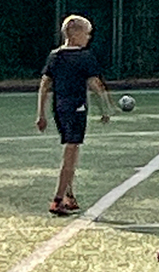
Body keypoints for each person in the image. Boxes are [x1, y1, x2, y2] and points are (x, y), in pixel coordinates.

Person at [35, 14, 114, 216]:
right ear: (75, 34)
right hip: (76, 109)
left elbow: (44, 86)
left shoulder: (55, 56)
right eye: (87, 33)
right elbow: (95, 84)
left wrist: (41, 114)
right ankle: (58, 198)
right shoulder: (84, 57)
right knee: (71, 152)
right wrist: (106, 106)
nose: (89, 37)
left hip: (59, 109)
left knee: (73, 150)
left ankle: (69, 195)